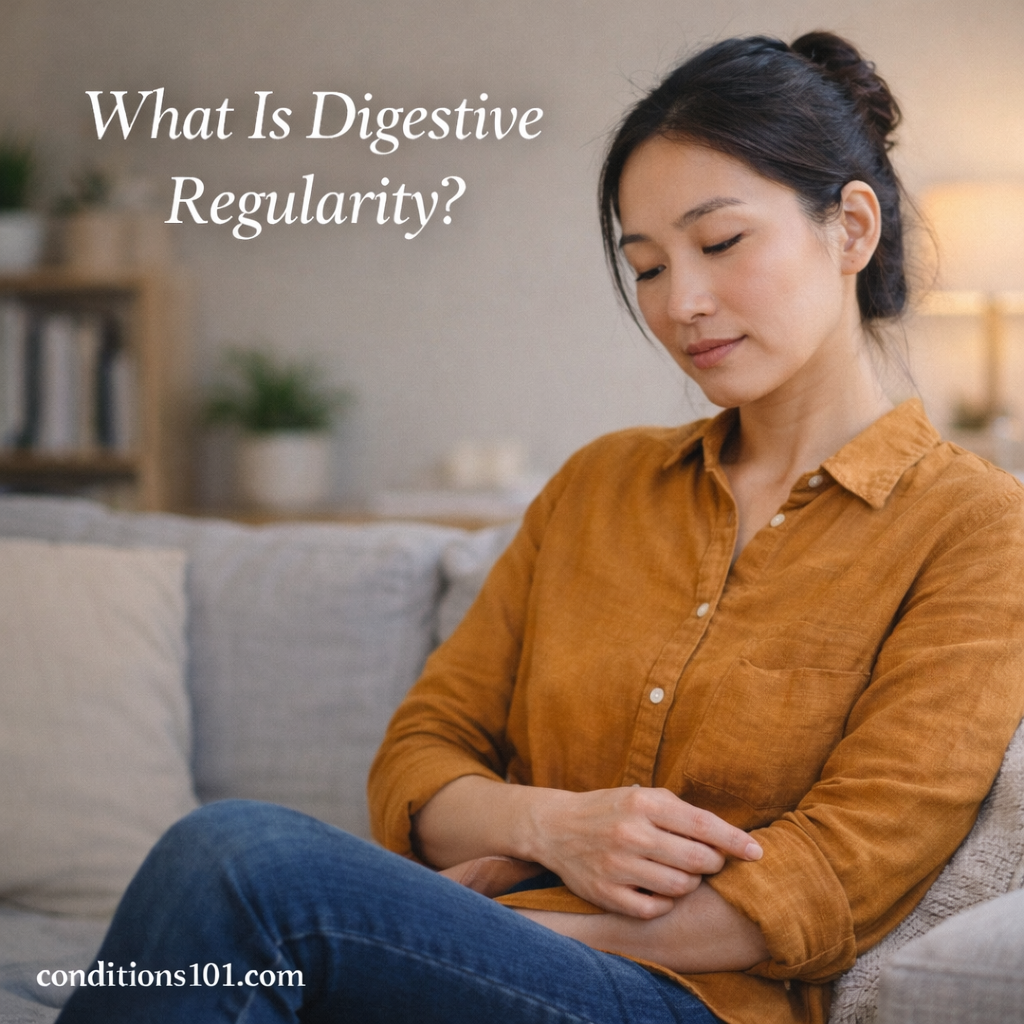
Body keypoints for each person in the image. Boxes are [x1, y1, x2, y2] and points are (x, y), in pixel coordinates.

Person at [58, 31, 1024, 1024]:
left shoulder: (974, 527)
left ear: (851, 229)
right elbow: (421, 753)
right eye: (645, 266)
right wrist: (553, 824)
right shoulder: (596, 487)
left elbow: (839, 873)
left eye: (720, 243)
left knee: (238, 861)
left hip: (691, 1000)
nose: (680, 302)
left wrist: (509, 929)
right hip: (478, 966)